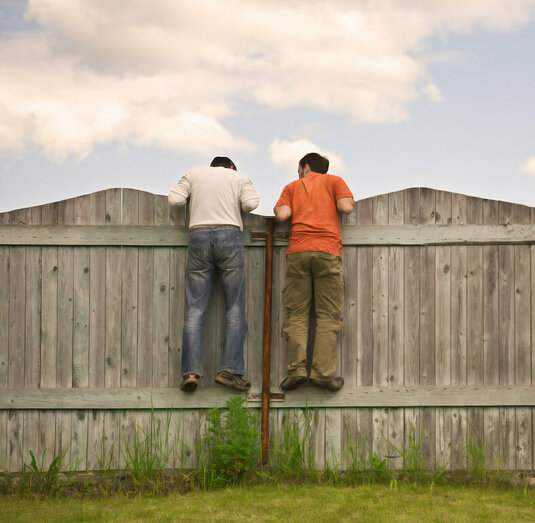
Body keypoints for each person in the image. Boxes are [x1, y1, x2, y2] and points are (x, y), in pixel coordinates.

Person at [168, 157, 260, 392]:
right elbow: (251, 204)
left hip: (198, 236)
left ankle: (190, 373)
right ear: (231, 167)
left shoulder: (193, 173)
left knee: (195, 308)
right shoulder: (239, 177)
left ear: (212, 166)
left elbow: (175, 200)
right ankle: (230, 371)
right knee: (235, 306)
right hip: (229, 236)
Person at [274, 152, 354, 392]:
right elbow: (346, 207)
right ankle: (322, 374)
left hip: (298, 252)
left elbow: (282, 215)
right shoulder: (334, 182)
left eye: (298, 169)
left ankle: (297, 371)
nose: (298, 173)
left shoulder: (292, 186)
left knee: (297, 314)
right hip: (327, 252)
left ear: (305, 167)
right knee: (328, 315)